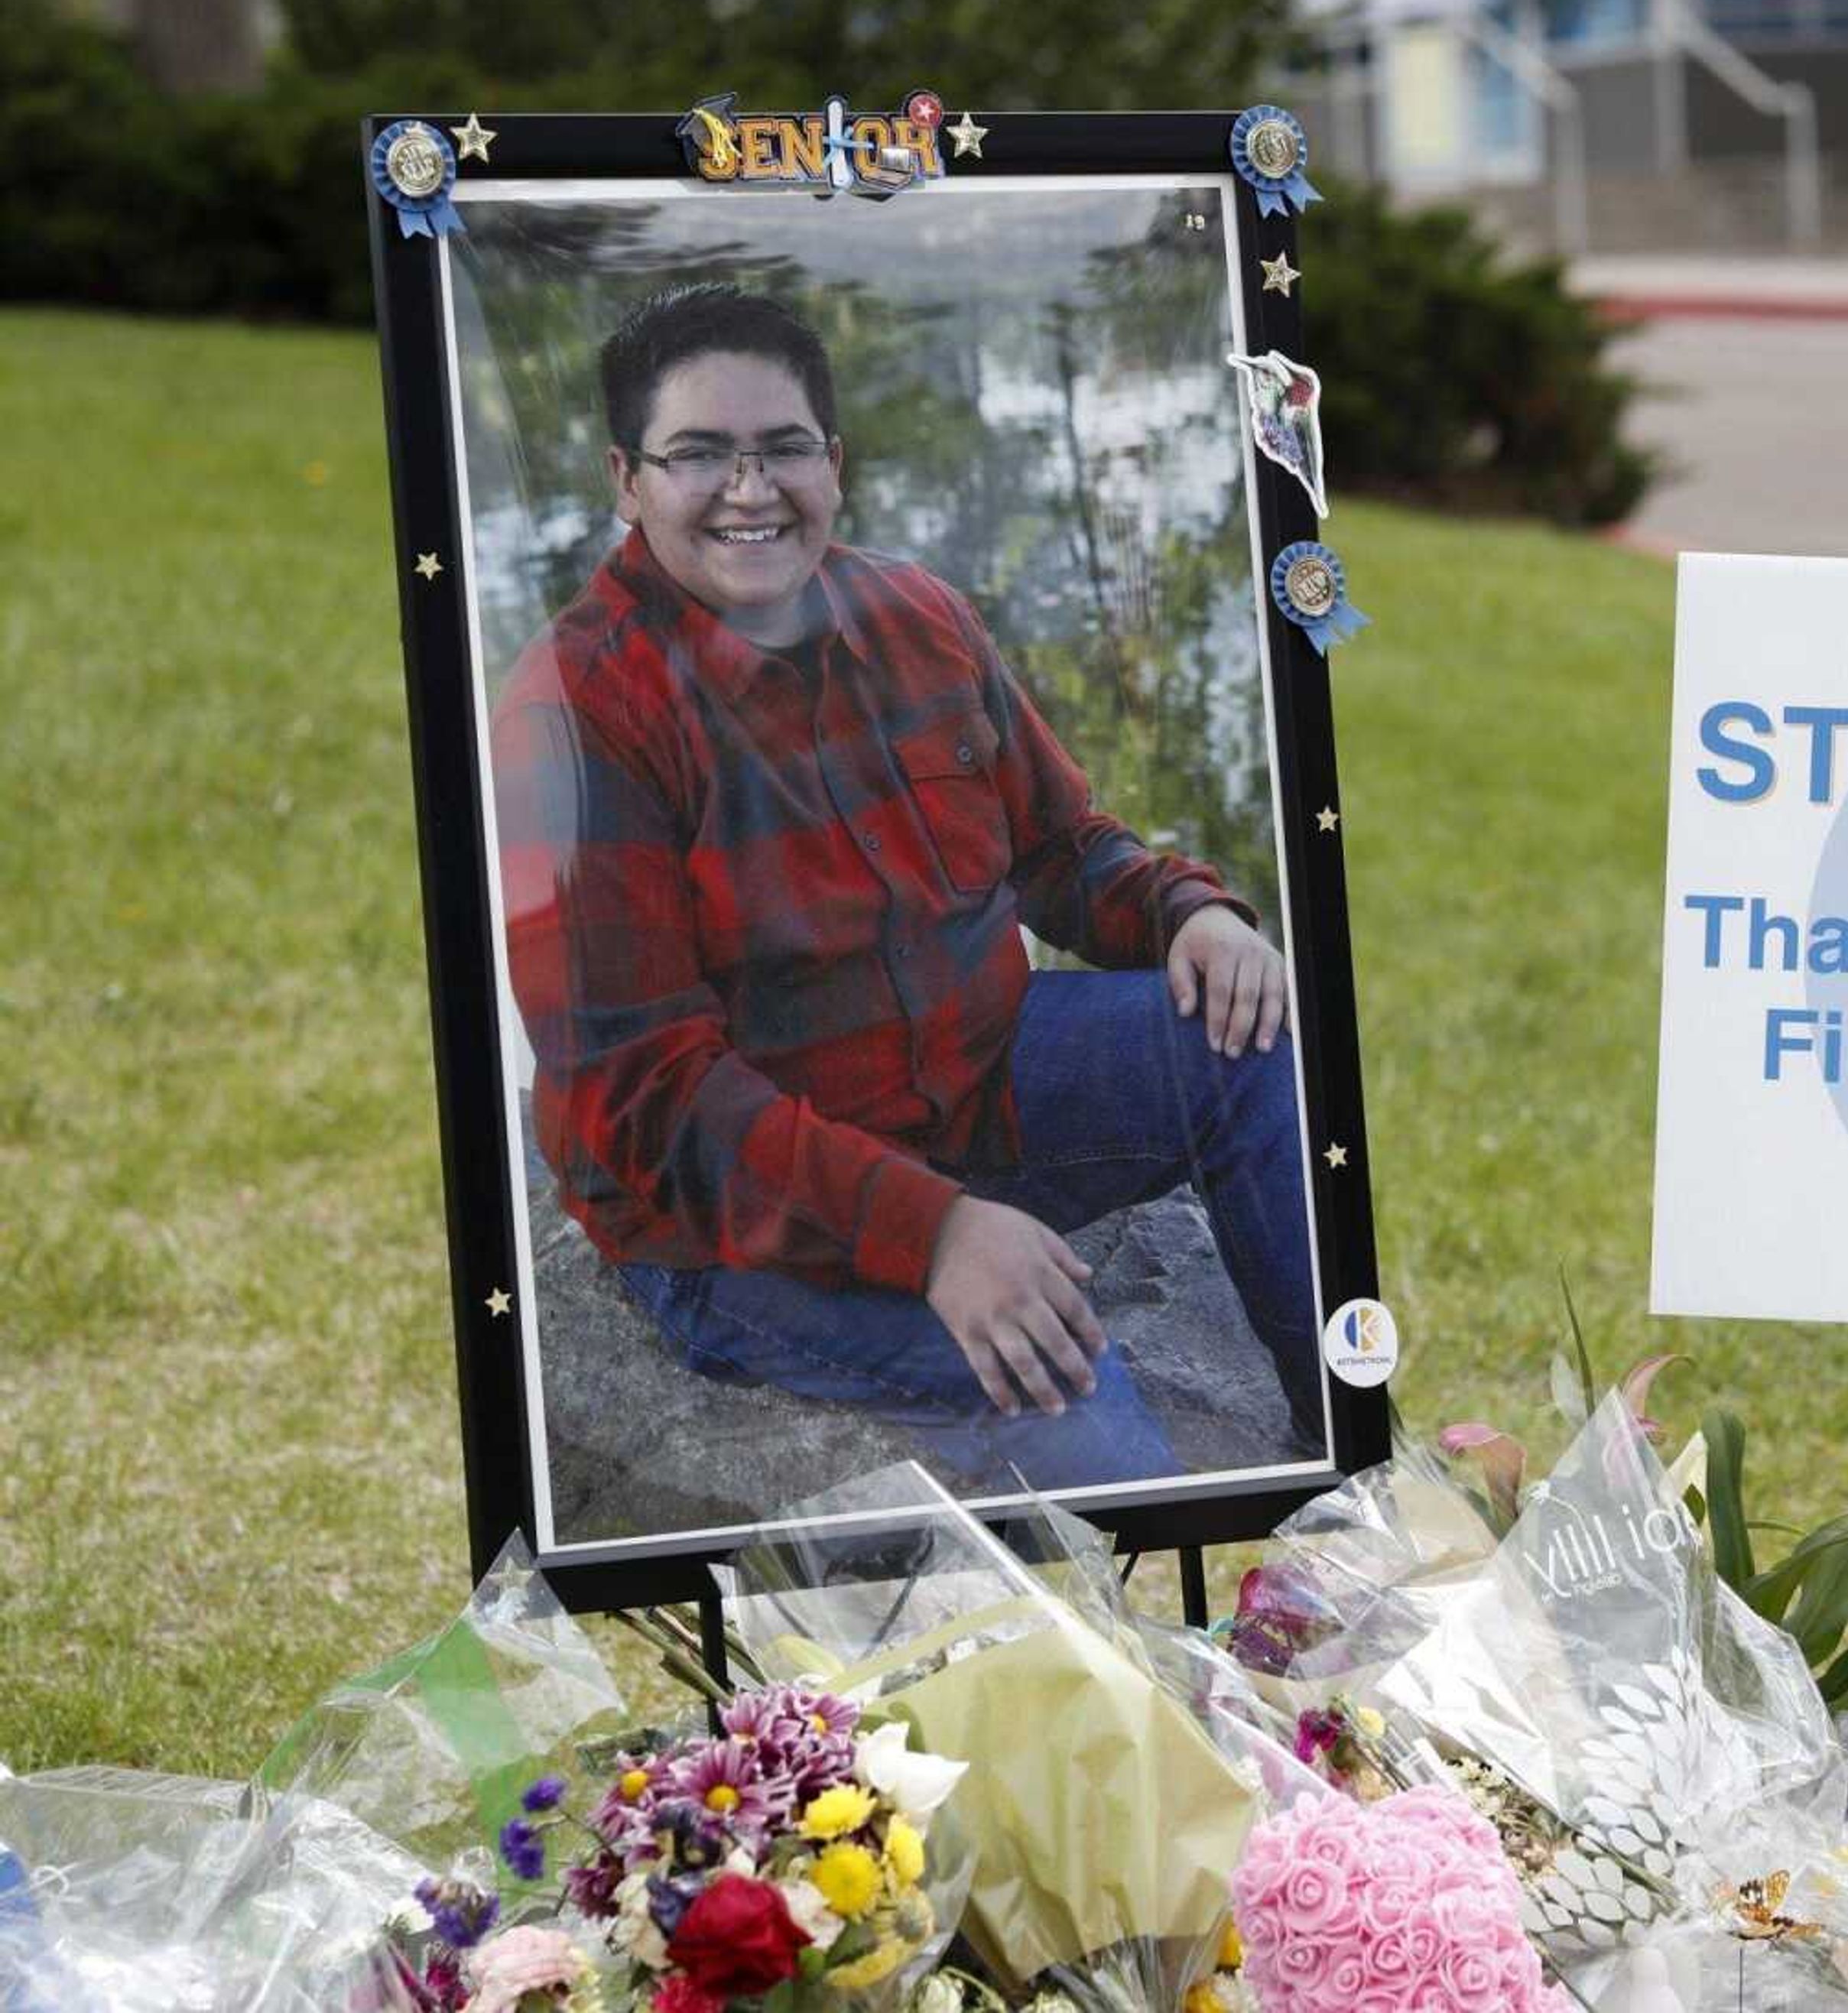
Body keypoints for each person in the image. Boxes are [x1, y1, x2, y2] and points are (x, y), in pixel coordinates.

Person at [490, 283, 1320, 1495]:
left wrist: (1188, 909)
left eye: (782, 448)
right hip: (736, 1228)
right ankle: (1168, 1681)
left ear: (835, 459)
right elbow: (648, 1100)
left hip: (974, 1089)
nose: (750, 489)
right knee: (1064, 1374)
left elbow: (1057, 847)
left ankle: (1350, 1491)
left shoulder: (916, 613)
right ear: (627, 478)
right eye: (698, 456)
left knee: (1244, 1044)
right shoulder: (571, 714)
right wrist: (931, 1232)